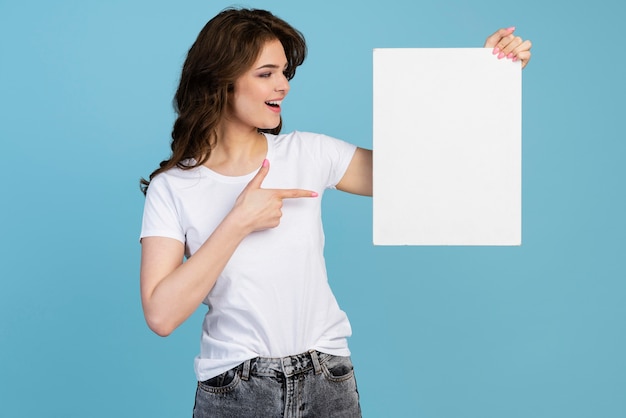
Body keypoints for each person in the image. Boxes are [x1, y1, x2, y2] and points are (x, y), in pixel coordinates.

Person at [139, 7, 532, 417]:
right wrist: (237, 222)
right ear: (220, 80)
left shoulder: (309, 152)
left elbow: (419, 173)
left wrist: (484, 82)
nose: (283, 86)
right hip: (237, 389)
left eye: (285, 72)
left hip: (326, 379)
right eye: (266, 73)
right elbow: (161, 315)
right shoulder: (173, 187)